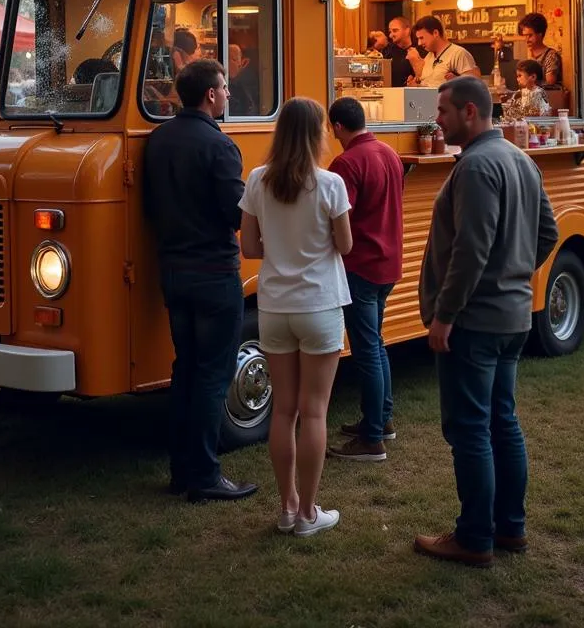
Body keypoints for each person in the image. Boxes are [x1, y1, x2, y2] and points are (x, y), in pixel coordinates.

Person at [414, 76, 558, 567]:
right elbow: (548, 233)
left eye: (443, 111)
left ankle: (475, 536)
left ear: (471, 113)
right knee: (502, 422)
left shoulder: (477, 166)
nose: (437, 119)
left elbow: (471, 250)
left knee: (472, 428)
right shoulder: (521, 160)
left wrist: (445, 315)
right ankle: (509, 529)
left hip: (474, 321)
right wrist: (515, 274)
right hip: (512, 316)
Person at [142, 59, 257, 504]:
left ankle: (180, 469)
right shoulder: (219, 145)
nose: (229, 94)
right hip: (214, 274)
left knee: (184, 370)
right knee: (213, 375)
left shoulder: (158, 139)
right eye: (225, 88)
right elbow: (235, 213)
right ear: (211, 94)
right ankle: (206, 474)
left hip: (174, 271)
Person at [239, 97, 352, 537]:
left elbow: (249, 248)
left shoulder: (257, 180)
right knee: (315, 412)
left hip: (274, 307)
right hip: (320, 304)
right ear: (317, 134)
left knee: (282, 411)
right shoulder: (329, 184)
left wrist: (283, 252)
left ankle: (285, 507)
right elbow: (344, 246)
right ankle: (308, 513)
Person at [324, 96, 405, 462]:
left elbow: (339, 216)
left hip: (361, 266)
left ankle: (373, 437)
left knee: (367, 349)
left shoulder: (346, 163)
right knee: (377, 344)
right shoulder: (388, 153)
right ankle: (381, 420)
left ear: (338, 126)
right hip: (388, 264)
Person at [410, 16, 478, 88]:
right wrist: (416, 86)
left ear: (435, 33)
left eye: (421, 38)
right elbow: (430, 86)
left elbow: (475, 86)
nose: (419, 43)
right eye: (418, 39)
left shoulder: (459, 53)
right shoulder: (428, 57)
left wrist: (458, 82)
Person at [516, 13, 562, 86]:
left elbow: (549, 84)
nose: (527, 40)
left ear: (540, 34)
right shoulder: (529, 56)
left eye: (530, 35)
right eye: (524, 36)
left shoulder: (551, 55)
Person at [383, 17, 422, 87]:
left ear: (407, 31)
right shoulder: (387, 51)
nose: (390, 35)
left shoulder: (420, 50)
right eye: (390, 32)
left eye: (395, 31)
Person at [227, 43, 259, 118]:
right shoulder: (221, 83)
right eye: (233, 59)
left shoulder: (247, 79)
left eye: (236, 60)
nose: (238, 64)